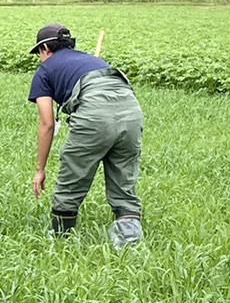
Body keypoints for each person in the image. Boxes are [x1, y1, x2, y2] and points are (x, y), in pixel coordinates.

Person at [28, 23, 145, 247]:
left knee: (73, 177)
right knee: (124, 182)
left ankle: (62, 242)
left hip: (95, 115)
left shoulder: (45, 70)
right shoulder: (92, 61)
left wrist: (40, 169)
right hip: (132, 113)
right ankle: (130, 245)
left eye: (39, 54)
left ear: (45, 49)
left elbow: (47, 124)